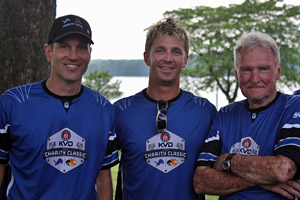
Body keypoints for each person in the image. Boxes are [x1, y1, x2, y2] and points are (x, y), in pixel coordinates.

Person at [0, 14, 118, 200]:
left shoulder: (103, 108)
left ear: (89, 53)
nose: (73, 55)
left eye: (81, 47)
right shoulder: (12, 103)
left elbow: (103, 179)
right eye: (64, 46)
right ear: (49, 52)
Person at [113, 18, 217, 200]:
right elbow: (98, 171)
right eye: (160, 50)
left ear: (185, 60)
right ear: (147, 58)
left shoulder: (205, 112)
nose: (168, 58)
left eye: (176, 52)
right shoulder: (121, 111)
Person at [194, 31, 300, 199]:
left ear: (278, 72)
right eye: (246, 70)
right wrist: (263, 179)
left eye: (263, 69)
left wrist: (227, 160)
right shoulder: (225, 115)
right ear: (237, 74)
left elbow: (283, 170)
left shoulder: (294, 107)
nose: (255, 78)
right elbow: (201, 181)